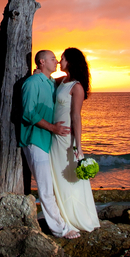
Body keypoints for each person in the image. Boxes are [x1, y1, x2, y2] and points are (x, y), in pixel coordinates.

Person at [21, 50, 77, 238]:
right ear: (42, 62)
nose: (57, 61)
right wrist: (53, 128)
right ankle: (60, 230)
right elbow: (28, 113)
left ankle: (63, 222)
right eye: (53, 58)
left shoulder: (50, 82)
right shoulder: (32, 83)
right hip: (35, 140)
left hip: (48, 142)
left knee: (52, 186)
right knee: (45, 188)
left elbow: (66, 79)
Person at [49, 48, 100, 233]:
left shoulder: (76, 86)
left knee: (69, 177)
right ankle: (62, 218)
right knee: (57, 177)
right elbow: (46, 79)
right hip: (54, 136)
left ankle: (74, 219)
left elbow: (76, 117)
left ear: (70, 61)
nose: (59, 61)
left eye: (62, 58)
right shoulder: (61, 81)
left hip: (66, 140)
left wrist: (78, 145)